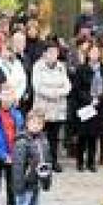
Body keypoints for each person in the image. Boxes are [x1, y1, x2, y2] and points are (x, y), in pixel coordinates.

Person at [30, 41, 71, 174]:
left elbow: (67, 85)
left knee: (54, 137)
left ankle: (53, 160)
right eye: (51, 52)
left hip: (58, 108)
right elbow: (38, 86)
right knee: (41, 136)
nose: (54, 55)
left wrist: (57, 91)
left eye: (56, 52)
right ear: (45, 54)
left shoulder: (61, 67)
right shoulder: (38, 66)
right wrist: (53, 92)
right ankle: (41, 161)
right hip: (43, 107)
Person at [12, 110, 51, 205]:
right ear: (27, 123)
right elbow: (17, 165)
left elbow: (47, 161)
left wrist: (47, 180)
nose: (36, 126)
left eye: (39, 123)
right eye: (33, 123)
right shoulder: (22, 141)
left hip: (37, 180)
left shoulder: (43, 139)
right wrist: (19, 184)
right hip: (26, 181)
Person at [72, 42, 103, 172]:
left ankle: (91, 162)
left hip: (98, 107)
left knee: (94, 136)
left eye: (97, 52)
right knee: (83, 136)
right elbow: (77, 89)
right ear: (87, 54)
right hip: (84, 106)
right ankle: (80, 162)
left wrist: (99, 99)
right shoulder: (81, 68)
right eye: (92, 52)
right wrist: (90, 99)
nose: (95, 54)